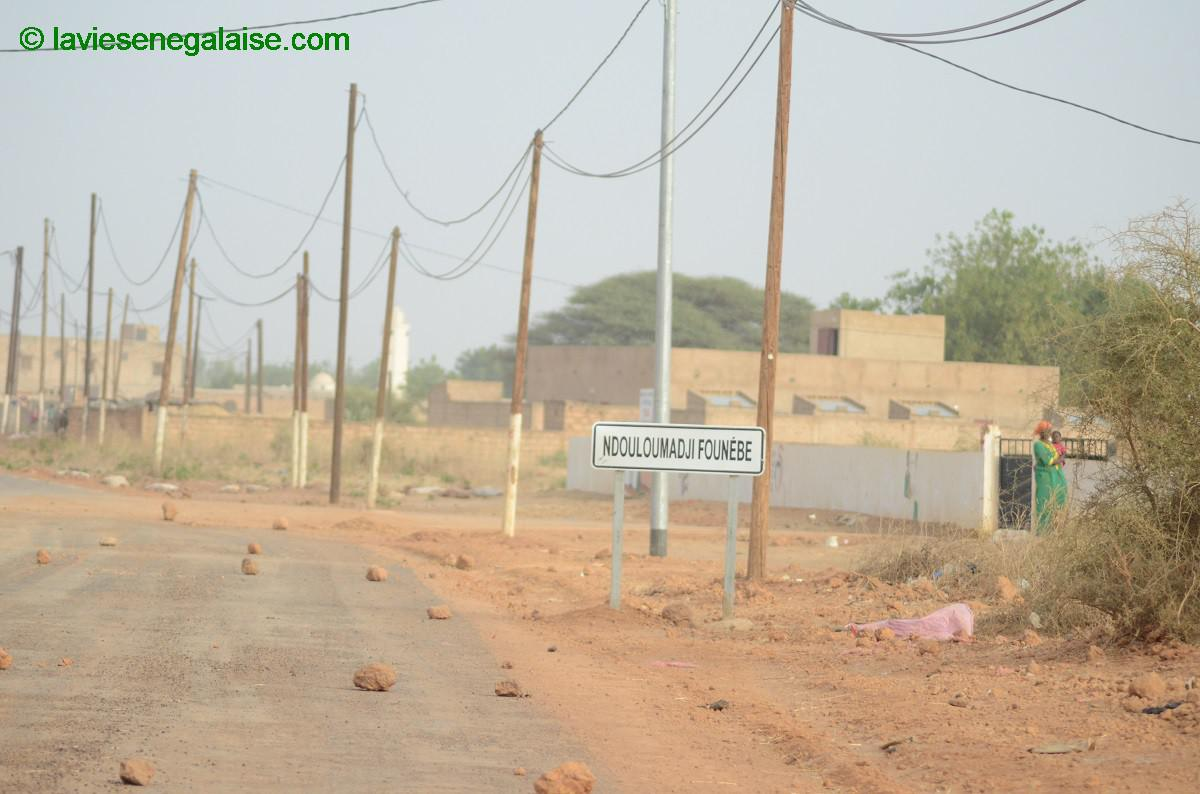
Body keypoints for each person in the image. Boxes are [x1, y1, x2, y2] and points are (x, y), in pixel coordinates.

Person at [1033, 421, 1068, 532]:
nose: (1049, 433)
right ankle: (1043, 532)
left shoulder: (1049, 444)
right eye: (1047, 431)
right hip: (1046, 478)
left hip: (1056, 476)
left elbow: (1057, 456)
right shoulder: (1038, 445)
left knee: (1058, 502)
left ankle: (1056, 531)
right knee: (1045, 503)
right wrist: (1061, 458)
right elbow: (1048, 460)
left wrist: (1060, 458)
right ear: (1041, 432)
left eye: (1050, 430)